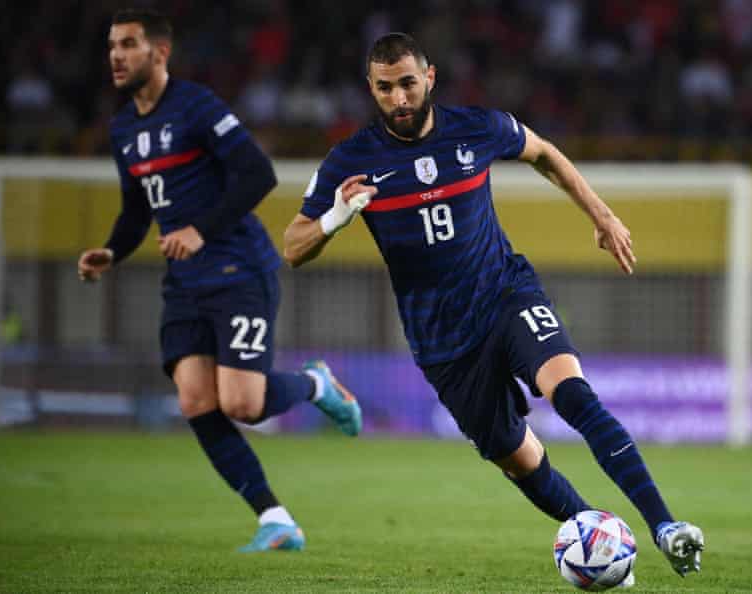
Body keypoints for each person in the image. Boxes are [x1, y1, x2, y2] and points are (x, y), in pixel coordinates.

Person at [283, 32, 704, 583]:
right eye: (385, 88)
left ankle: (665, 526)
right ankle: (598, 543)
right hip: (442, 340)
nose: (400, 98)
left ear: (429, 78)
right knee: (518, 459)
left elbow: (544, 153)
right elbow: (292, 247)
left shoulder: (477, 128)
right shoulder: (351, 159)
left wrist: (601, 216)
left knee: (573, 393)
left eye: (408, 83)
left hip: (506, 293)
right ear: (371, 89)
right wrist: (335, 218)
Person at [76, 8, 361, 553]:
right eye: (112, 45)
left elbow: (259, 173)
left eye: (129, 44)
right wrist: (111, 251)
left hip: (238, 269)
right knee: (195, 401)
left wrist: (200, 229)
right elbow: (138, 209)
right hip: (184, 281)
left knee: (243, 405)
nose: (116, 54)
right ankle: (275, 520)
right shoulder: (123, 129)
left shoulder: (196, 106)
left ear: (160, 53)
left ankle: (316, 384)